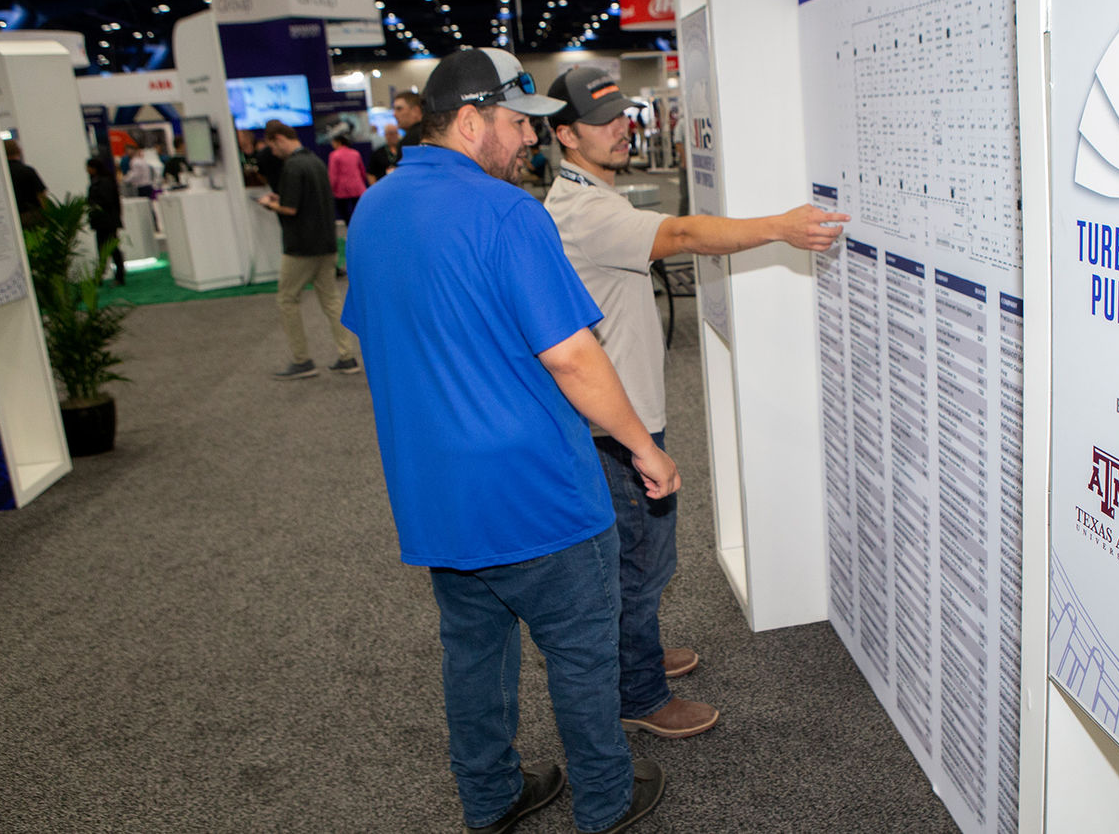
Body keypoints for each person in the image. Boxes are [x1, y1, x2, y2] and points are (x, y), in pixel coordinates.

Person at [342, 47, 674, 834]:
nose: (530, 138)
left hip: (436, 494)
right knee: (582, 653)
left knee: (474, 653)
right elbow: (572, 355)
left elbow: (383, 337)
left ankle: (489, 797)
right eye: (518, 122)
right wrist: (643, 446)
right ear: (469, 120)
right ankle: (605, 799)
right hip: (537, 489)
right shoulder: (508, 213)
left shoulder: (374, 210)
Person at [543, 67, 849, 740]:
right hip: (614, 425)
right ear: (564, 134)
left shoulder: (587, 197)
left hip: (613, 414)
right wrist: (781, 227)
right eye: (600, 121)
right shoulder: (587, 211)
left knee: (639, 557)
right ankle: (640, 694)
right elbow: (682, 236)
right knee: (640, 563)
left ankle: (639, 656)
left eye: (621, 115)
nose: (619, 129)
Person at [255, 122, 359, 379]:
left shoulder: (292, 166)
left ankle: (302, 360)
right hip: (326, 243)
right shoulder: (315, 161)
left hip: (301, 247)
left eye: (272, 147)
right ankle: (347, 356)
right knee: (331, 300)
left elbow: (291, 208)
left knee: (287, 299)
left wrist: (269, 204)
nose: (273, 152)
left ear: (279, 139)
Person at [85, 157, 125, 285]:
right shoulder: (101, 180)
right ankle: (104, 275)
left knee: (111, 249)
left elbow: (107, 200)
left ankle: (118, 275)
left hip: (106, 221)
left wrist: (93, 204)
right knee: (105, 249)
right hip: (104, 221)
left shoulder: (103, 182)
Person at [3, 140, 47, 229]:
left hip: (12, 219)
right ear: (19, 151)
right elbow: (41, 196)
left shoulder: (2, 174)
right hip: (33, 217)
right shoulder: (28, 171)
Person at [327, 133, 367, 225]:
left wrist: (331, 188)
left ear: (338, 142)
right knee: (359, 211)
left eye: (333, 142)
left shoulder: (334, 155)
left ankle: (351, 228)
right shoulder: (355, 153)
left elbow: (333, 174)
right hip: (358, 188)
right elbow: (362, 170)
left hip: (342, 190)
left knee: (344, 213)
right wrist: (362, 183)